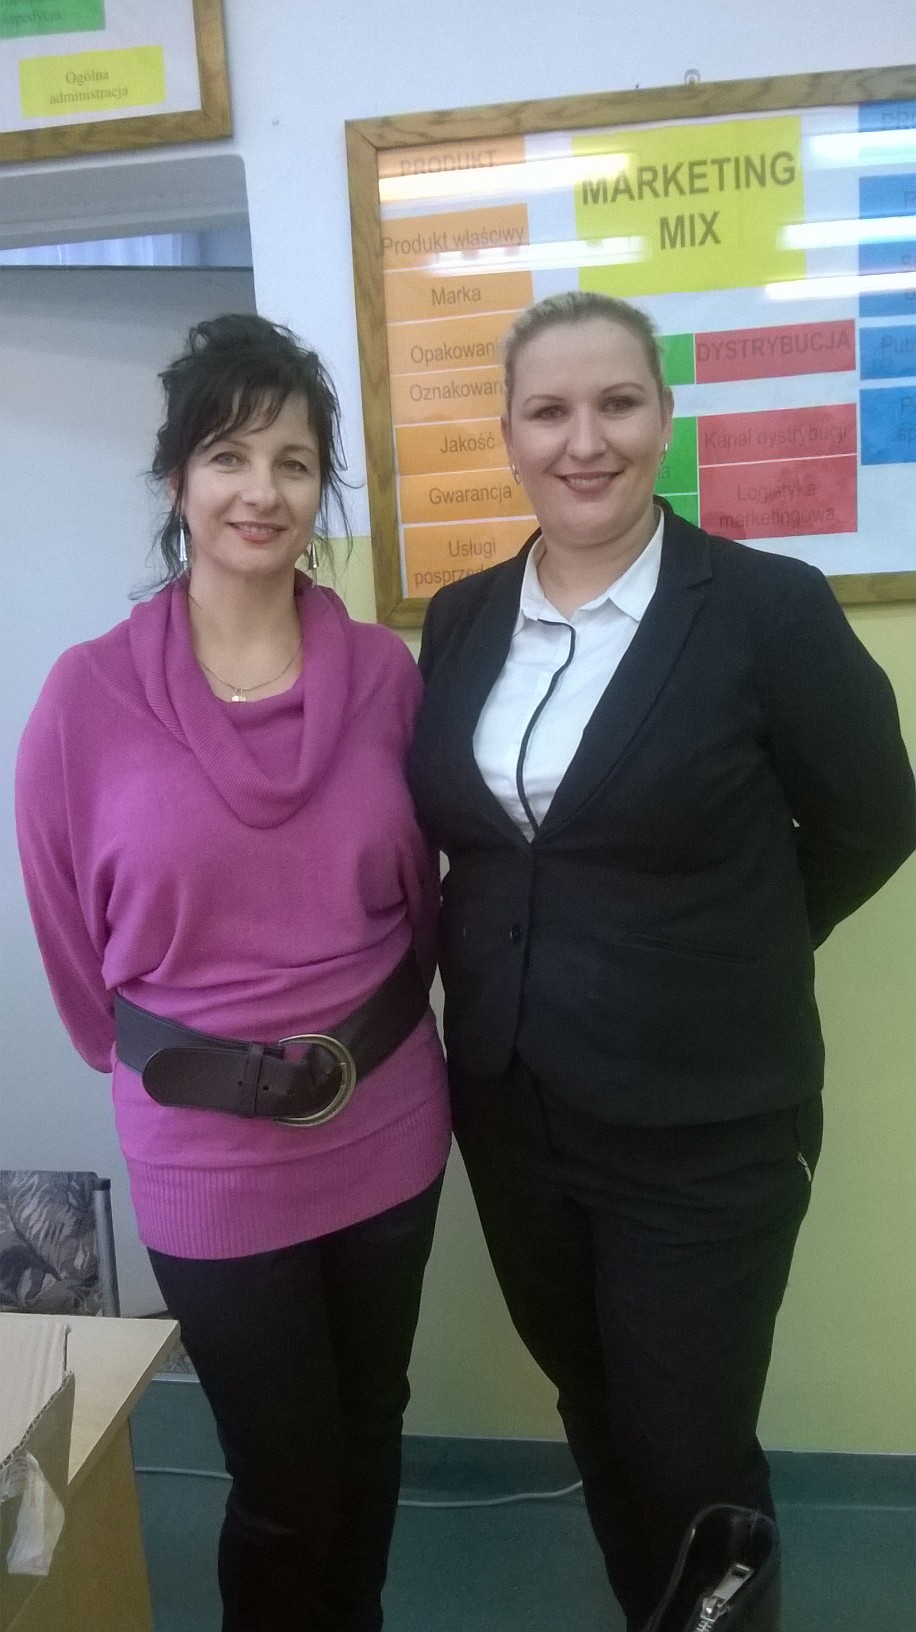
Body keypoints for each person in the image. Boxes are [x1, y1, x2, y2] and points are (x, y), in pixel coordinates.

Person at [407, 290, 915, 1631]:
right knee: (595, 1408)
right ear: (509, 435)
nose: (585, 441)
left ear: (664, 419)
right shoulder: (462, 620)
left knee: (691, 1448)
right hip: (513, 1108)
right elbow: (479, 846)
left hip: (706, 1124)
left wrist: (727, 945)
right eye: (549, 411)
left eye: (617, 404)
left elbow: (875, 819)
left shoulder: (763, 608)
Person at [16, 313, 451, 1632]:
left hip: (387, 1118)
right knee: (283, 1483)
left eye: (293, 462)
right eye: (228, 456)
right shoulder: (86, 698)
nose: (261, 490)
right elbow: (66, 935)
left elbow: (429, 894)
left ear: (321, 491)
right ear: (176, 481)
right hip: (205, 1146)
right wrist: (170, 1073)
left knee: (371, 1436)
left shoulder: (385, 677)